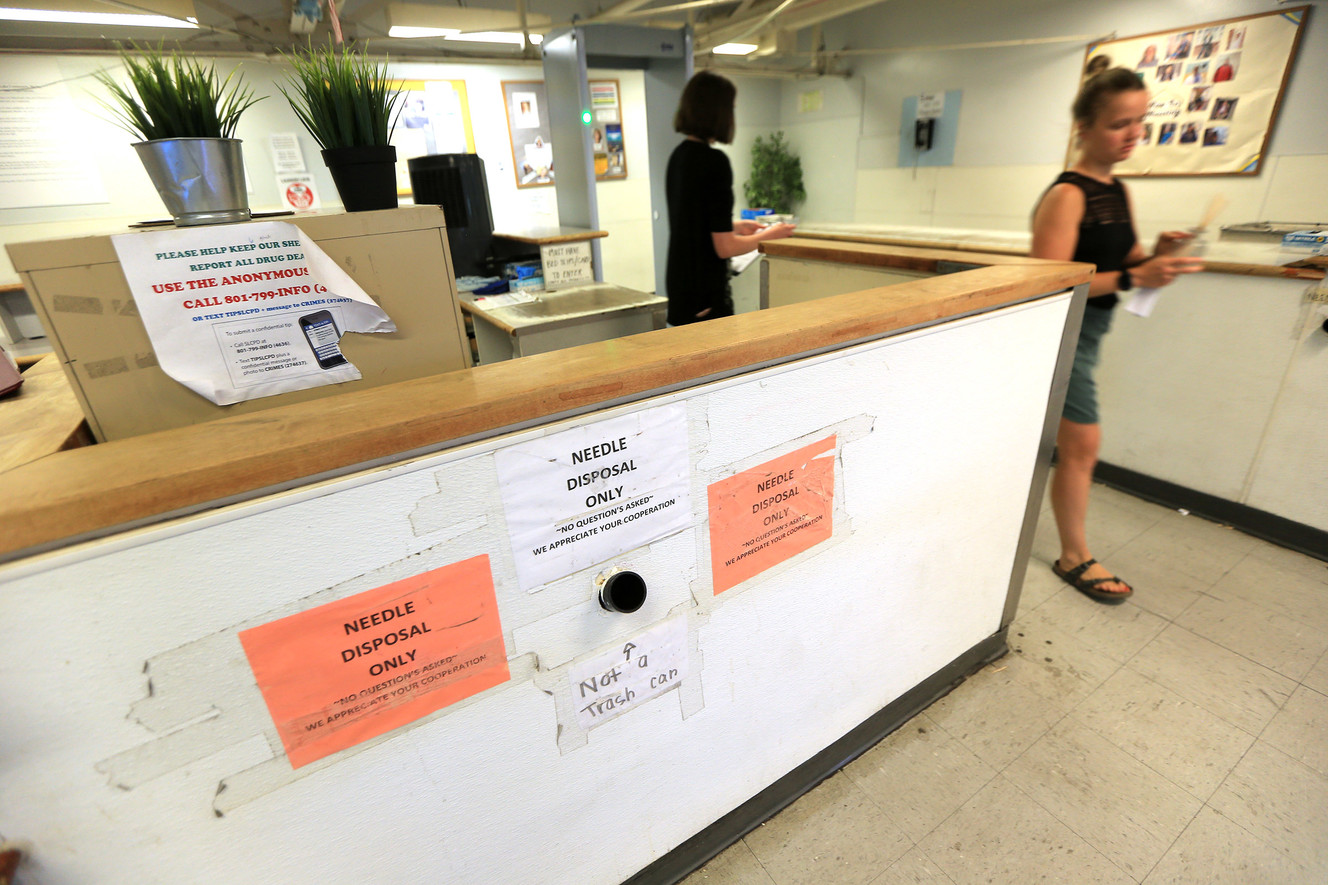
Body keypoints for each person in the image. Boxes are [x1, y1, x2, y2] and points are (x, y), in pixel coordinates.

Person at [1030, 68, 1203, 603]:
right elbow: (1052, 280)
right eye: (1118, 124)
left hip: (1092, 330)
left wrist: (1157, 252)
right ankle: (1074, 555)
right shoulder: (1068, 194)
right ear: (1083, 127)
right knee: (1083, 444)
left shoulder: (1116, 190)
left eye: (1139, 122)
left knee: (1075, 445)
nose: (1132, 135)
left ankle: (1070, 548)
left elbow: (1121, 258)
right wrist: (1135, 276)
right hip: (1065, 331)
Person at [665, 71, 795, 325]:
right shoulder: (714, 162)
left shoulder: (678, 156)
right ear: (719, 111)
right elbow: (724, 248)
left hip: (680, 286)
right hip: (704, 294)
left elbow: (690, 221)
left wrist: (735, 226)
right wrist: (768, 236)